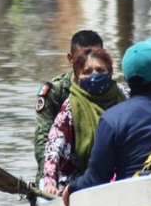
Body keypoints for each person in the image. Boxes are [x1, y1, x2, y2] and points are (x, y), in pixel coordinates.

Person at [61, 38, 151, 204]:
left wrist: (72, 187)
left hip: (131, 203)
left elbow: (96, 178)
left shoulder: (112, 119)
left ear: (127, 79)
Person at [41, 47, 126, 196]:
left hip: (123, 177)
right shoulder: (71, 106)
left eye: (100, 70)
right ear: (77, 77)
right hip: (79, 182)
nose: (94, 76)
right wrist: (50, 182)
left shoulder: (124, 96)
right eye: (87, 72)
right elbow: (54, 147)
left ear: (110, 73)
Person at [34, 30, 104, 177]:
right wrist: (49, 177)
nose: (89, 64)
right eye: (82, 59)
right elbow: (43, 141)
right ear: (71, 59)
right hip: (59, 171)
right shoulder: (55, 92)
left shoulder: (112, 91)